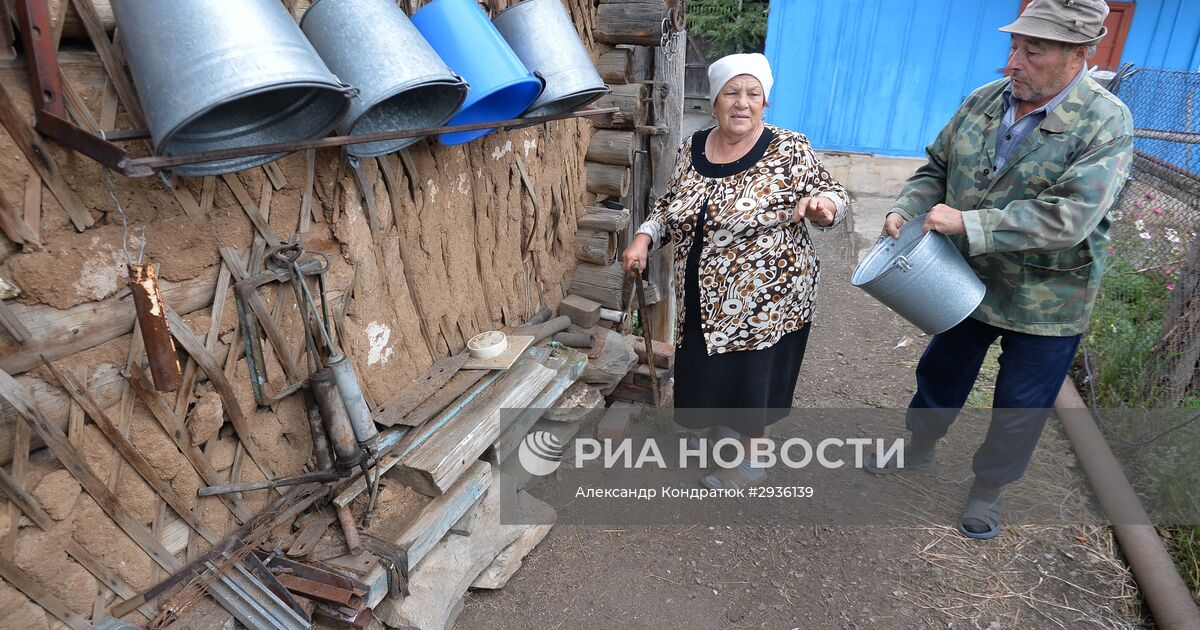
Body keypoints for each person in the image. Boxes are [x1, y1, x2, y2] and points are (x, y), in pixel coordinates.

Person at [864, 0, 1133, 540]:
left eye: (1033, 50)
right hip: (961, 283)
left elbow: (1069, 218)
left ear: (1078, 55)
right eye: (1014, 46)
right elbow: (935, 168)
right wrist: (905, 206)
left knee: (1021, 404)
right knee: (942, 372)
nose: (1014, 61)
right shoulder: (983, 101)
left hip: (1049, 299)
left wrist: (969, 222)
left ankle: (988, 490)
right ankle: (919, 447)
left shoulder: (1106, 122)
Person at [622, 53, 849, 490]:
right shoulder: (693, 147)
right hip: (702, 297)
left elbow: (833, 194)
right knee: (711, 371)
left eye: (753, 94)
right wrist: (644, 237)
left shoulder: (788, 148)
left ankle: (752, 461)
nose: (742, 103)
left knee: (752, 378)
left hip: (767, 300)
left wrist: (824, 208)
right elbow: (670, 208)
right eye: (732, 92)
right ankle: (726, 433)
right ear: (714, 101)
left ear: (766, 104)